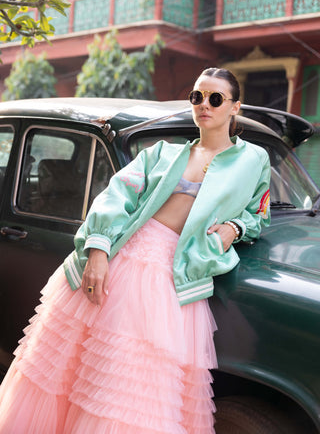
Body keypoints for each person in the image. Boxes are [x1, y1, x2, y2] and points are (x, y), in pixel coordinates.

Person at [0, 68, 271, 434]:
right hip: (128, 256)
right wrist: (98, 250)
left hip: (179, 272)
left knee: (138, 389)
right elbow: (115, 197)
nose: (204, 105)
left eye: (216, 98)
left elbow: (260, 211)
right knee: (83, 376)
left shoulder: (253, 159)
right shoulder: (162, 153)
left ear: (234, 106)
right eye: (197, 97)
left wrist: (235, 227)